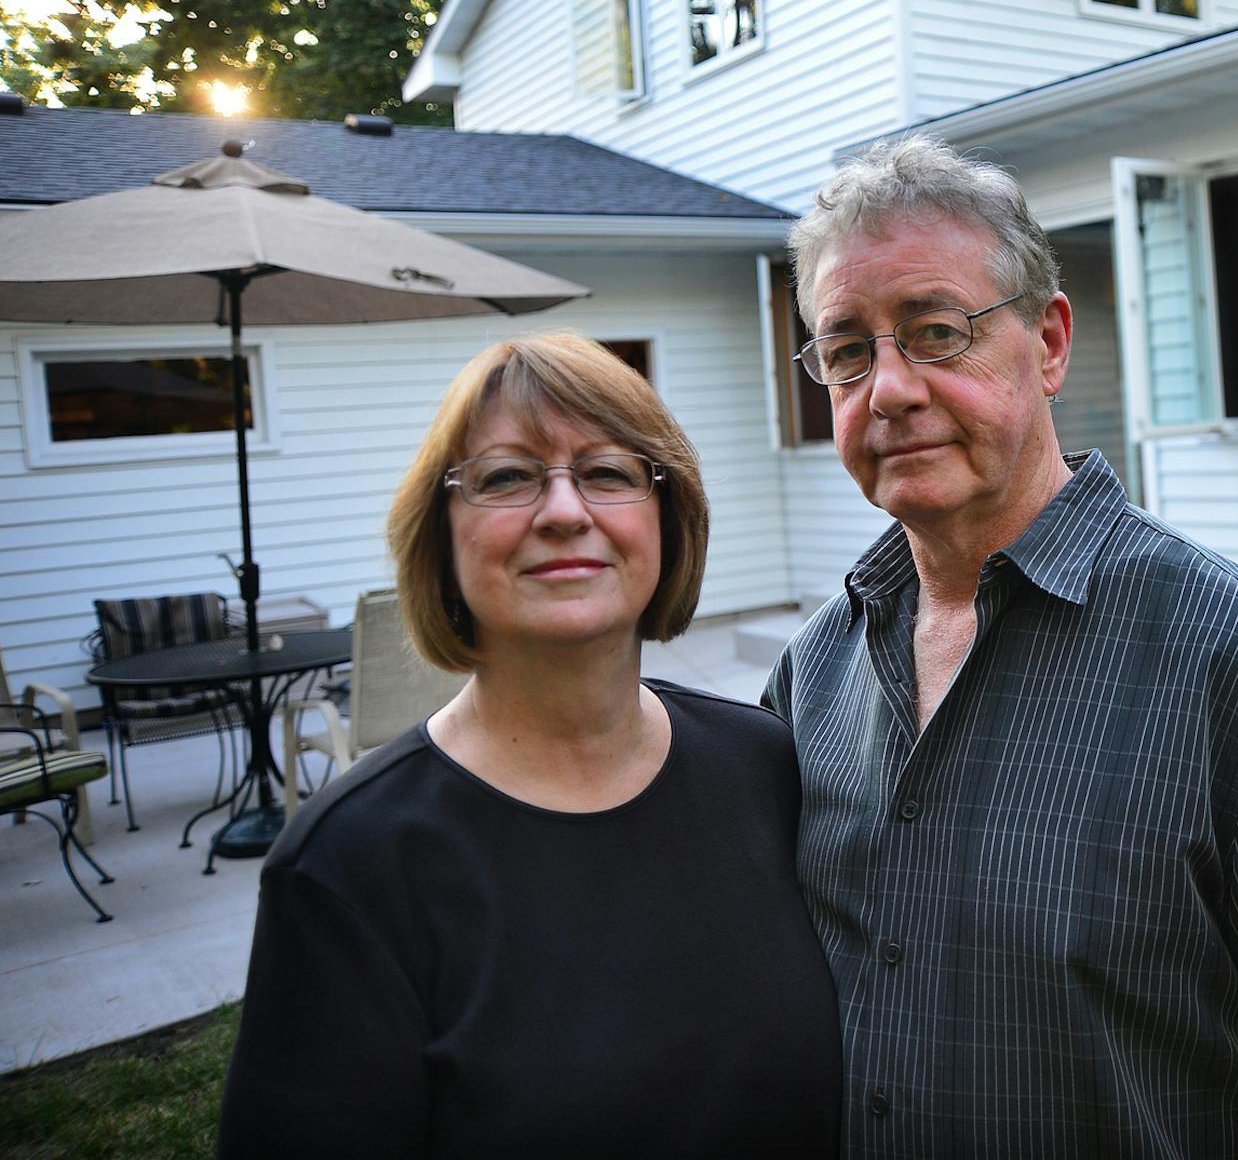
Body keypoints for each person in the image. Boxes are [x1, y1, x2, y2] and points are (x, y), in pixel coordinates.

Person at [764, 139, 1238, 1159]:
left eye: (935, 332)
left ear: (1048, 343)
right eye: (846, 350)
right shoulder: (813, 674)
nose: (887, 389)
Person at [220, 333, 841, 1159]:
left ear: (668, 519)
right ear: (440, 538)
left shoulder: (764, 765)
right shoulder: (349, 866)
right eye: (506, 477)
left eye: (608, 472)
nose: (562, 511)